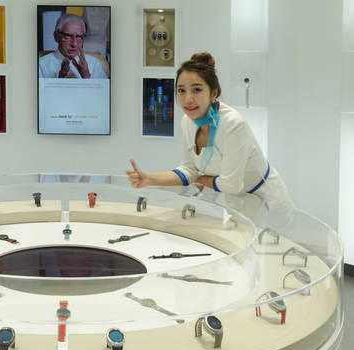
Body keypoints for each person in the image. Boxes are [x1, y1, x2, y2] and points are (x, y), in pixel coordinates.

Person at [127, 52, 292, 208]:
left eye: (197, 89)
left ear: (214, 93)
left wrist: (200, 179)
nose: (188, 99)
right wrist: (149, 178)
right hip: (235, 203)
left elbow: (231, 185)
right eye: (181, 90)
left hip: (267, 201)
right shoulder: (187, 122)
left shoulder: (233, 124)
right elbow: (188, 170)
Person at [38, 13, 108, 79]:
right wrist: (58, 81)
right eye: (68, 36)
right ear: (56, 36)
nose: (74, 44)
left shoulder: (95, 64)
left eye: (79, 36)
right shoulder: (41, 65)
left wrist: (86, 76)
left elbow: (104, 88)